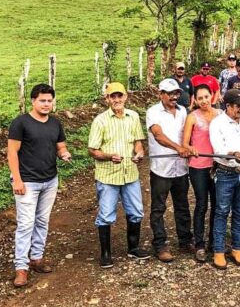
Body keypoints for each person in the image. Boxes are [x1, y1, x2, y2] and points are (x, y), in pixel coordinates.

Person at [8, 84, 71, 288]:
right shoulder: (20, 123)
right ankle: (21, 268)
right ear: (33, 101)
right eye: (42, 100)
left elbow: (60, 146)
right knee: (26, 224)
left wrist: (64, 154)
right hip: (27, 181)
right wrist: (17, 180)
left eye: (49, 101)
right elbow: (12, 153)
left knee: (42, 221)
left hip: (50, 180)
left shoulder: (55, 123)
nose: (46, 104)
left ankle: (36, 258)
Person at [88, 82, 149, 268]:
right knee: (106, 214)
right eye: (112, 97)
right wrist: (108, 156)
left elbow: (138, 142)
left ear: (125, 97)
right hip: (108, 175)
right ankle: (106, 253)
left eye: (119, 96)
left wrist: (139, 153)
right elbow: (92, 150)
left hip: (130, 173)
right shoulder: (100, 121)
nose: (116, 100)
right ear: (107, 99)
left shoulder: (133, 117)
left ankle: (133, 248)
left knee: (136, 211)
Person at [209, 88, 240, 270]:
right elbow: (217, 148)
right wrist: (231, 154)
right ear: (227, 106)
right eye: (238, 106)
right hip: (225, 172)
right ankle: (219, 250)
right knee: (222, 211)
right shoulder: (217, 124)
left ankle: (237, 248)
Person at [146, 78, 193, 262]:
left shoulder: (183, 111)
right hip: (161, 170)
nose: (174, 97)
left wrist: (189, 148)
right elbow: (158, 135)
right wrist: (178, 148)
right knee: (158, 208)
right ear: (161, 94)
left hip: (181, 168)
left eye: (177, 93)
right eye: (170, 93)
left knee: (182, 205)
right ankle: (160, 244)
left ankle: (185, 240)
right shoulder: (153, 112)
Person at [182, 84, 222, 263]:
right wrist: (191, 148)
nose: (204, 101)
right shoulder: (192, 117)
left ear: (212, 96)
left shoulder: (221, 115)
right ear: (195, 100)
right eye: (200, 98)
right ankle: (199, 244)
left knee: (218, 204)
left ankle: (215, 242)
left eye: (207, 97)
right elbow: (184, 144)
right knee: (201, 203)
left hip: (217, 166)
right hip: (198, 166)